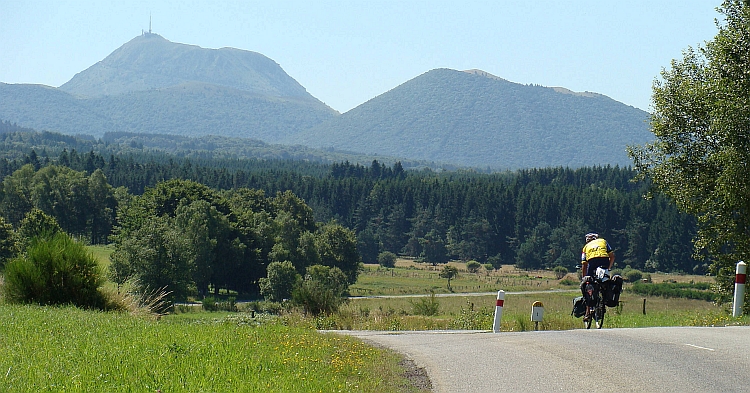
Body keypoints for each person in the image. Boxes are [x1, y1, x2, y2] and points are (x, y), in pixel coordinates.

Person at [580, 232, 614, 320]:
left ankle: (587, 312)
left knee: (587, 285)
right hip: (605, 260)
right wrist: (608, 268)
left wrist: (584, 278)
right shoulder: (603, 241)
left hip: (592, 262)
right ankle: (604, 301)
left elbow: (584, 264)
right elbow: (612, 257)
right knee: (605, 281)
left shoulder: (586, 247)